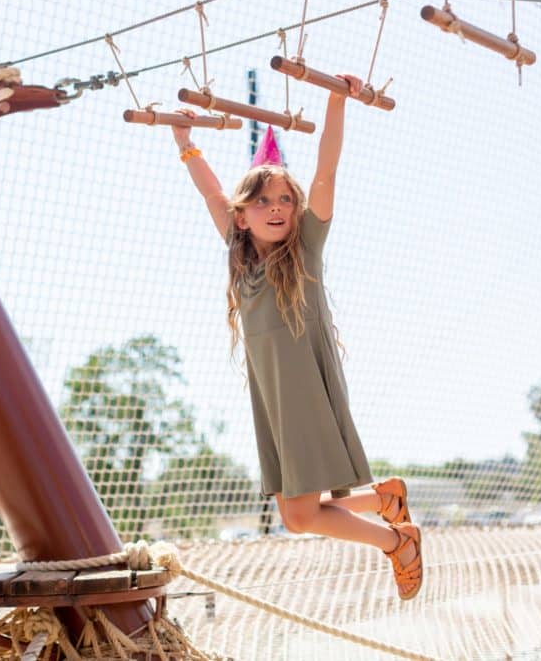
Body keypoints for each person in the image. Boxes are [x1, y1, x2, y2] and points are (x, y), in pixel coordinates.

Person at [172, 75, 422, 600]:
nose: (276, 207)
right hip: (273, 399)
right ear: (242, 216)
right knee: (296, 514)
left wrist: (336, 102)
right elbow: (210, 190)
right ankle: (385, 501)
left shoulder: (305, 249)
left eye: (285, 198)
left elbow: (326, 173)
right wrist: (183, 141)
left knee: (301, 514)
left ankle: (396, 541)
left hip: (305, 389)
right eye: (262, 201)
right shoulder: (238, 254)